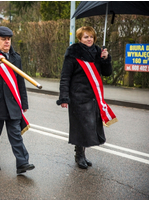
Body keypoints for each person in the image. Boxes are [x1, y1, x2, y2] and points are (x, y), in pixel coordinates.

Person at [0, 26, 35, 174]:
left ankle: (22, 162)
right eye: (3, 39)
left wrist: (24, 102)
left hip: (13, 102)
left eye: (9, 39)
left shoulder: (16, 57)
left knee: (16, 134)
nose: (7, 42)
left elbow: (20, 81)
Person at [56, 26, 113, 169]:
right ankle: (79, 155)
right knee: (81, 127)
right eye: (86, 37)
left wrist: (106, 59)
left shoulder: (99, 52)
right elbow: (65, 76)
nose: (89, 39)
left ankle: (82, 154)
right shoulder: (73, 53)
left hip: (93, 96)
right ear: (80, 38)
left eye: (91, 37)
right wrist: (64, 97)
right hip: (78, 96)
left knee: (89, 127)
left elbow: (107, 73)